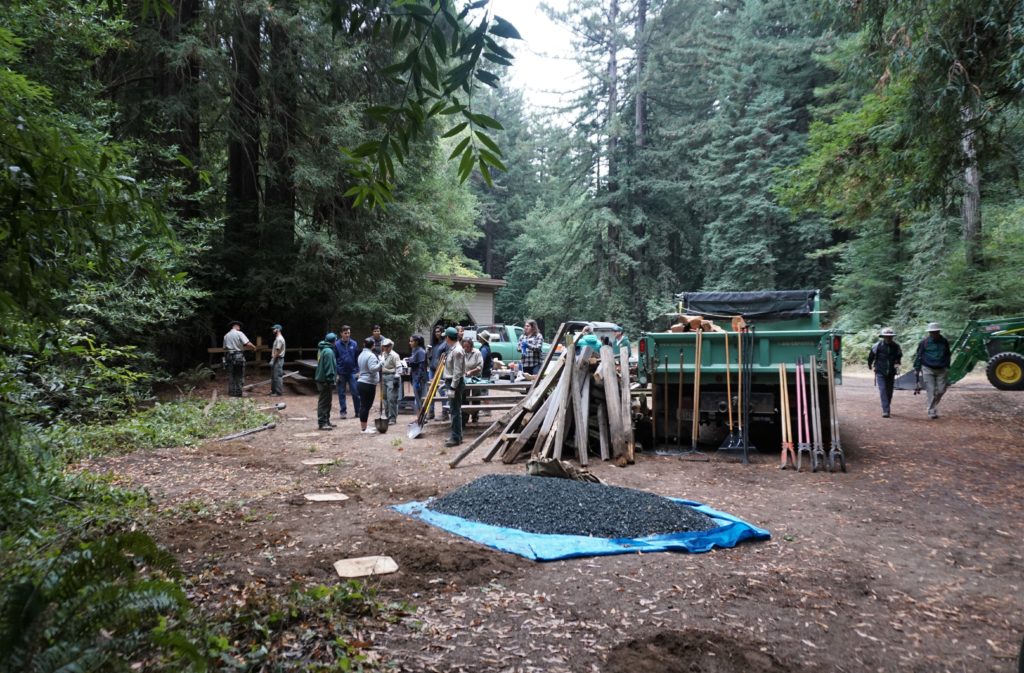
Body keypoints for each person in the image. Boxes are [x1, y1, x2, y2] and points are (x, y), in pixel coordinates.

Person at [914, 322, 952, 419]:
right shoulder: (924, 342)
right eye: (932, 332)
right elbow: (919, 356)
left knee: (941, 390)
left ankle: (932, 406)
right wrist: (917, 368)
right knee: (931, 390)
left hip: (942, 369)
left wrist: (948, 366)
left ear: (939, 331)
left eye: (935, 332)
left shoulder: (944, 341)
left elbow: (948, 354)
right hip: (927, 369)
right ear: (929, 332)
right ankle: (931, 410)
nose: (934, 333)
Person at [867, 327, 902, 418]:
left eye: (890, 336)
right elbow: (871, 356)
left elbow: (899, 357)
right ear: (883, 337)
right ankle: (886, 410)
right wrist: (870, 365)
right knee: (883, 390)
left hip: (891, 372)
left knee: (889, 391)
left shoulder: (896, 346)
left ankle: (887, 406)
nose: (888, 338)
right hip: (880, 371)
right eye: (886, 336)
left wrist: (897, 363)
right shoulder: (877, 346)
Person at [442, 327, 466, 446]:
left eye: (445, 337)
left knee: (455, 411)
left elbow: (457, 372)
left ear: (447, 337)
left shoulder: (457, 351)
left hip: (454, 383)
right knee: (455, 410)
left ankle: (456, 438)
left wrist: (452, 387)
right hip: (452, 381)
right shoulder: (454, 349)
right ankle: (457, 436)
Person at [223, 320, 256, 397]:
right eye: (239, 326)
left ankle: (231, 392)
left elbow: (225, 348)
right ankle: (238, 393)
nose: (240, 328)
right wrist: (254, 347)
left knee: (231, 374)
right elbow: (247, 343)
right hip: (238, 356)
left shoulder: (226, 335)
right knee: (239, 375)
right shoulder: (239, 333)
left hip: (229, 356)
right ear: (236, 326)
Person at [356, 337, 382, 433]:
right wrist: (381, 363)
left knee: (364, 405)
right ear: (373, 345)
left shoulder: (361, 354)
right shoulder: (371, 356)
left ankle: (364, 427)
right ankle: (364, 429)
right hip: (368, 383)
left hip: (362, 382)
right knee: (365, 406)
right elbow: (372, 369)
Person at [334, 325, 360, 419]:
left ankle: (358, 411)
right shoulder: (336, 344)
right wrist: (336, 373)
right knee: (341, 393)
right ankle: (343, 412)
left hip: (352, 372)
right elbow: (334, 359)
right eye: (345, 333)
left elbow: (357, 358)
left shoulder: (354, 343)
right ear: (341, 333)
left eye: (349, 333)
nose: (347, 335)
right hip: (341, 372)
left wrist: (358, 371)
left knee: (355, 392)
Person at [314, 333, 337, 431]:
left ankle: (326, 420)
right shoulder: (328, 351)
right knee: (324, 402)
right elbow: (330, 368)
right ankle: (322, 423)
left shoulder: (323, 348)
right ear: (334, 341)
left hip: (322, 379)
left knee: (327, 402)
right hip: (325, 381)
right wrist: (331, 380)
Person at [428, 325, 451, 420]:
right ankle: (431, 412)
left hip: (441, 369)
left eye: (439, 331)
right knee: (431, 391)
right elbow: (431, 357)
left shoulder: (445, 344)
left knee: (442, 390)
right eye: (436, 331)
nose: (437, 333)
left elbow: (448, 357)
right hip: (432, 369)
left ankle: (445, 413)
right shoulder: (433, 344)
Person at [461, 335, 484, 426]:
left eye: (467, 346)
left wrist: (471, 371)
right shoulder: (462, 352)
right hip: (465, 377)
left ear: (471, 346)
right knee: (465, 397)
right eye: (464, 346)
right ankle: (465, 417)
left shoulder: (477, 352)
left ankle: (475, 416)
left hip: (476, 377)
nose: (466, 348)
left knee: (475, 397)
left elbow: (480, 367)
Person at [379, 338, 401, 425]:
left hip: (392, 377)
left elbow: (399, 368)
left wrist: (396, 377)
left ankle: (392, 418)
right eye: (384, 346)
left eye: (387, 346)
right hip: (383, 377)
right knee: (384, 398)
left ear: (391, 346)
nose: (386, 348)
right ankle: (387, 416)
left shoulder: (395, 355)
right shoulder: (383, 354)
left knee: (391, 398)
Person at [407, 334, 429, 416]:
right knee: (417, 398)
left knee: (422, 398)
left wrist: (418, 380)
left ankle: (423, 417)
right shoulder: (414, 350)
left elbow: (422, 367)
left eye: (411, 341)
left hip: (420, 379)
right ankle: (419, 416)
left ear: (417, 342)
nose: (410, 343)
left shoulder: (421, 351)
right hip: (414, 377)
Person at [270, 324, 286, 396]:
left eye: (274, 329)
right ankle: (273, 391)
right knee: (274, 376)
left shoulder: (279, 339)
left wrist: (273, 359)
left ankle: (278, 392)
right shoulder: (277, 338)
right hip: (277, 358)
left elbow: (278, 350)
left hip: (278, 359)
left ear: (278, 329)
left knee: (278, 376)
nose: (273, 330)